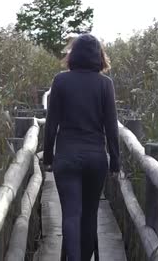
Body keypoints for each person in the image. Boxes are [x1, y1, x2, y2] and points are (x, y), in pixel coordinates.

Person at [43, 34, 120, 261]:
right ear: (99, 56)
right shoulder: (105, 84)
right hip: (96, 159)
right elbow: (111, 127)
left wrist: (48, 157)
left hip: (66, 157)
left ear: (73, 54)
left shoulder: (61, 81)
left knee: (70, 214)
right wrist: (115, 161)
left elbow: (51, 123)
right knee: (89, 215)